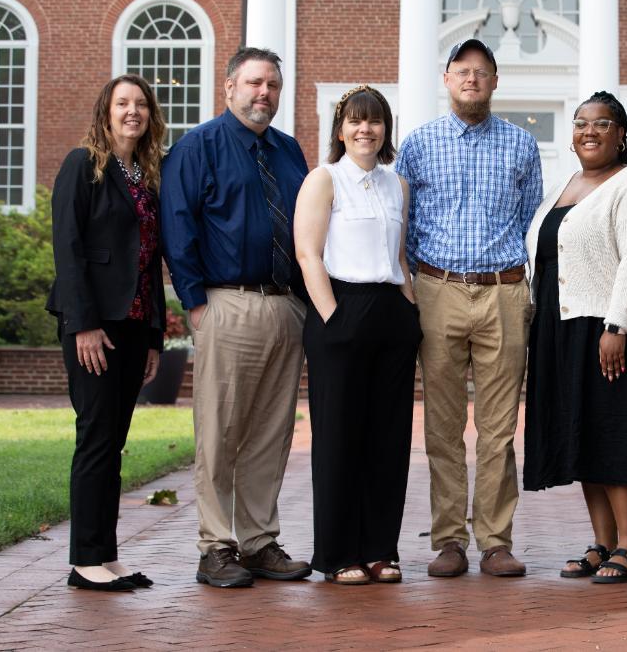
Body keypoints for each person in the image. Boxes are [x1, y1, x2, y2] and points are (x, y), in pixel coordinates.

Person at [160, 47, 311, 589]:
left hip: (284, 306)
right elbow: (178, 228)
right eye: (253, 83)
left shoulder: (290, 151)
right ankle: (214, 546)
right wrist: (196, 302)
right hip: (226, 303)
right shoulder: (196, 147)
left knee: (271, 434)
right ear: (229, 88)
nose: (263, 93)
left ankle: (258, 542)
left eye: (272, 84)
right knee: (220, 431)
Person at [395, 39, 543, 578]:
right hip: (438, 289)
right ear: (446, 77)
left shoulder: (522, 146)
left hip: (503, 290)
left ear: (496, 80)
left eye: (482, 72)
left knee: (500, 428)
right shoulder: (417, 145)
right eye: (462, 71)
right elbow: (404, 219)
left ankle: (496, 540)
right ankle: (449, 539)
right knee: (442, 425)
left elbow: (526, 216)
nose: (472, 79)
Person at [523, 91, 627, 584]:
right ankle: (603, 543)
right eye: (581, 123)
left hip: (613, 330)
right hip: (564, 327)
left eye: (601, 123)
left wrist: (618, 325)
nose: (589, 131)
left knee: (617, 434)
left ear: (621, 133)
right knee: (585, 435)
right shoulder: (563, 187)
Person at [293, 85, 422, 585]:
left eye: (374, 121)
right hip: (341, 311)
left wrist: (409, 310)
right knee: (339, 438)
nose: (364, 129)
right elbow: (308, 254)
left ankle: (380, 550)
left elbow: (400, 256)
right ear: (340, 128)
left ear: (385, 129)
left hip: (392, 313)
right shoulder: (324, 180)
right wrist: (333, 317)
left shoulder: (398, 185)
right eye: (354, 120)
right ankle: (339, 552)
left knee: (388, 440)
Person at [48, 73, 167, 591]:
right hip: (94, 325)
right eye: (123, 103)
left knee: (113, 441)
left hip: (135, 324)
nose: (132, 112)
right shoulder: (83, 165)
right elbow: (68, 249)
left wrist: (157, 336)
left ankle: (105, 554)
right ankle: (85, 560)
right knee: (95, 436)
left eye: (140, 104)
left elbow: (150, 261)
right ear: (106, 111)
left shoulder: (147, 174)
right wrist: (84, 326)